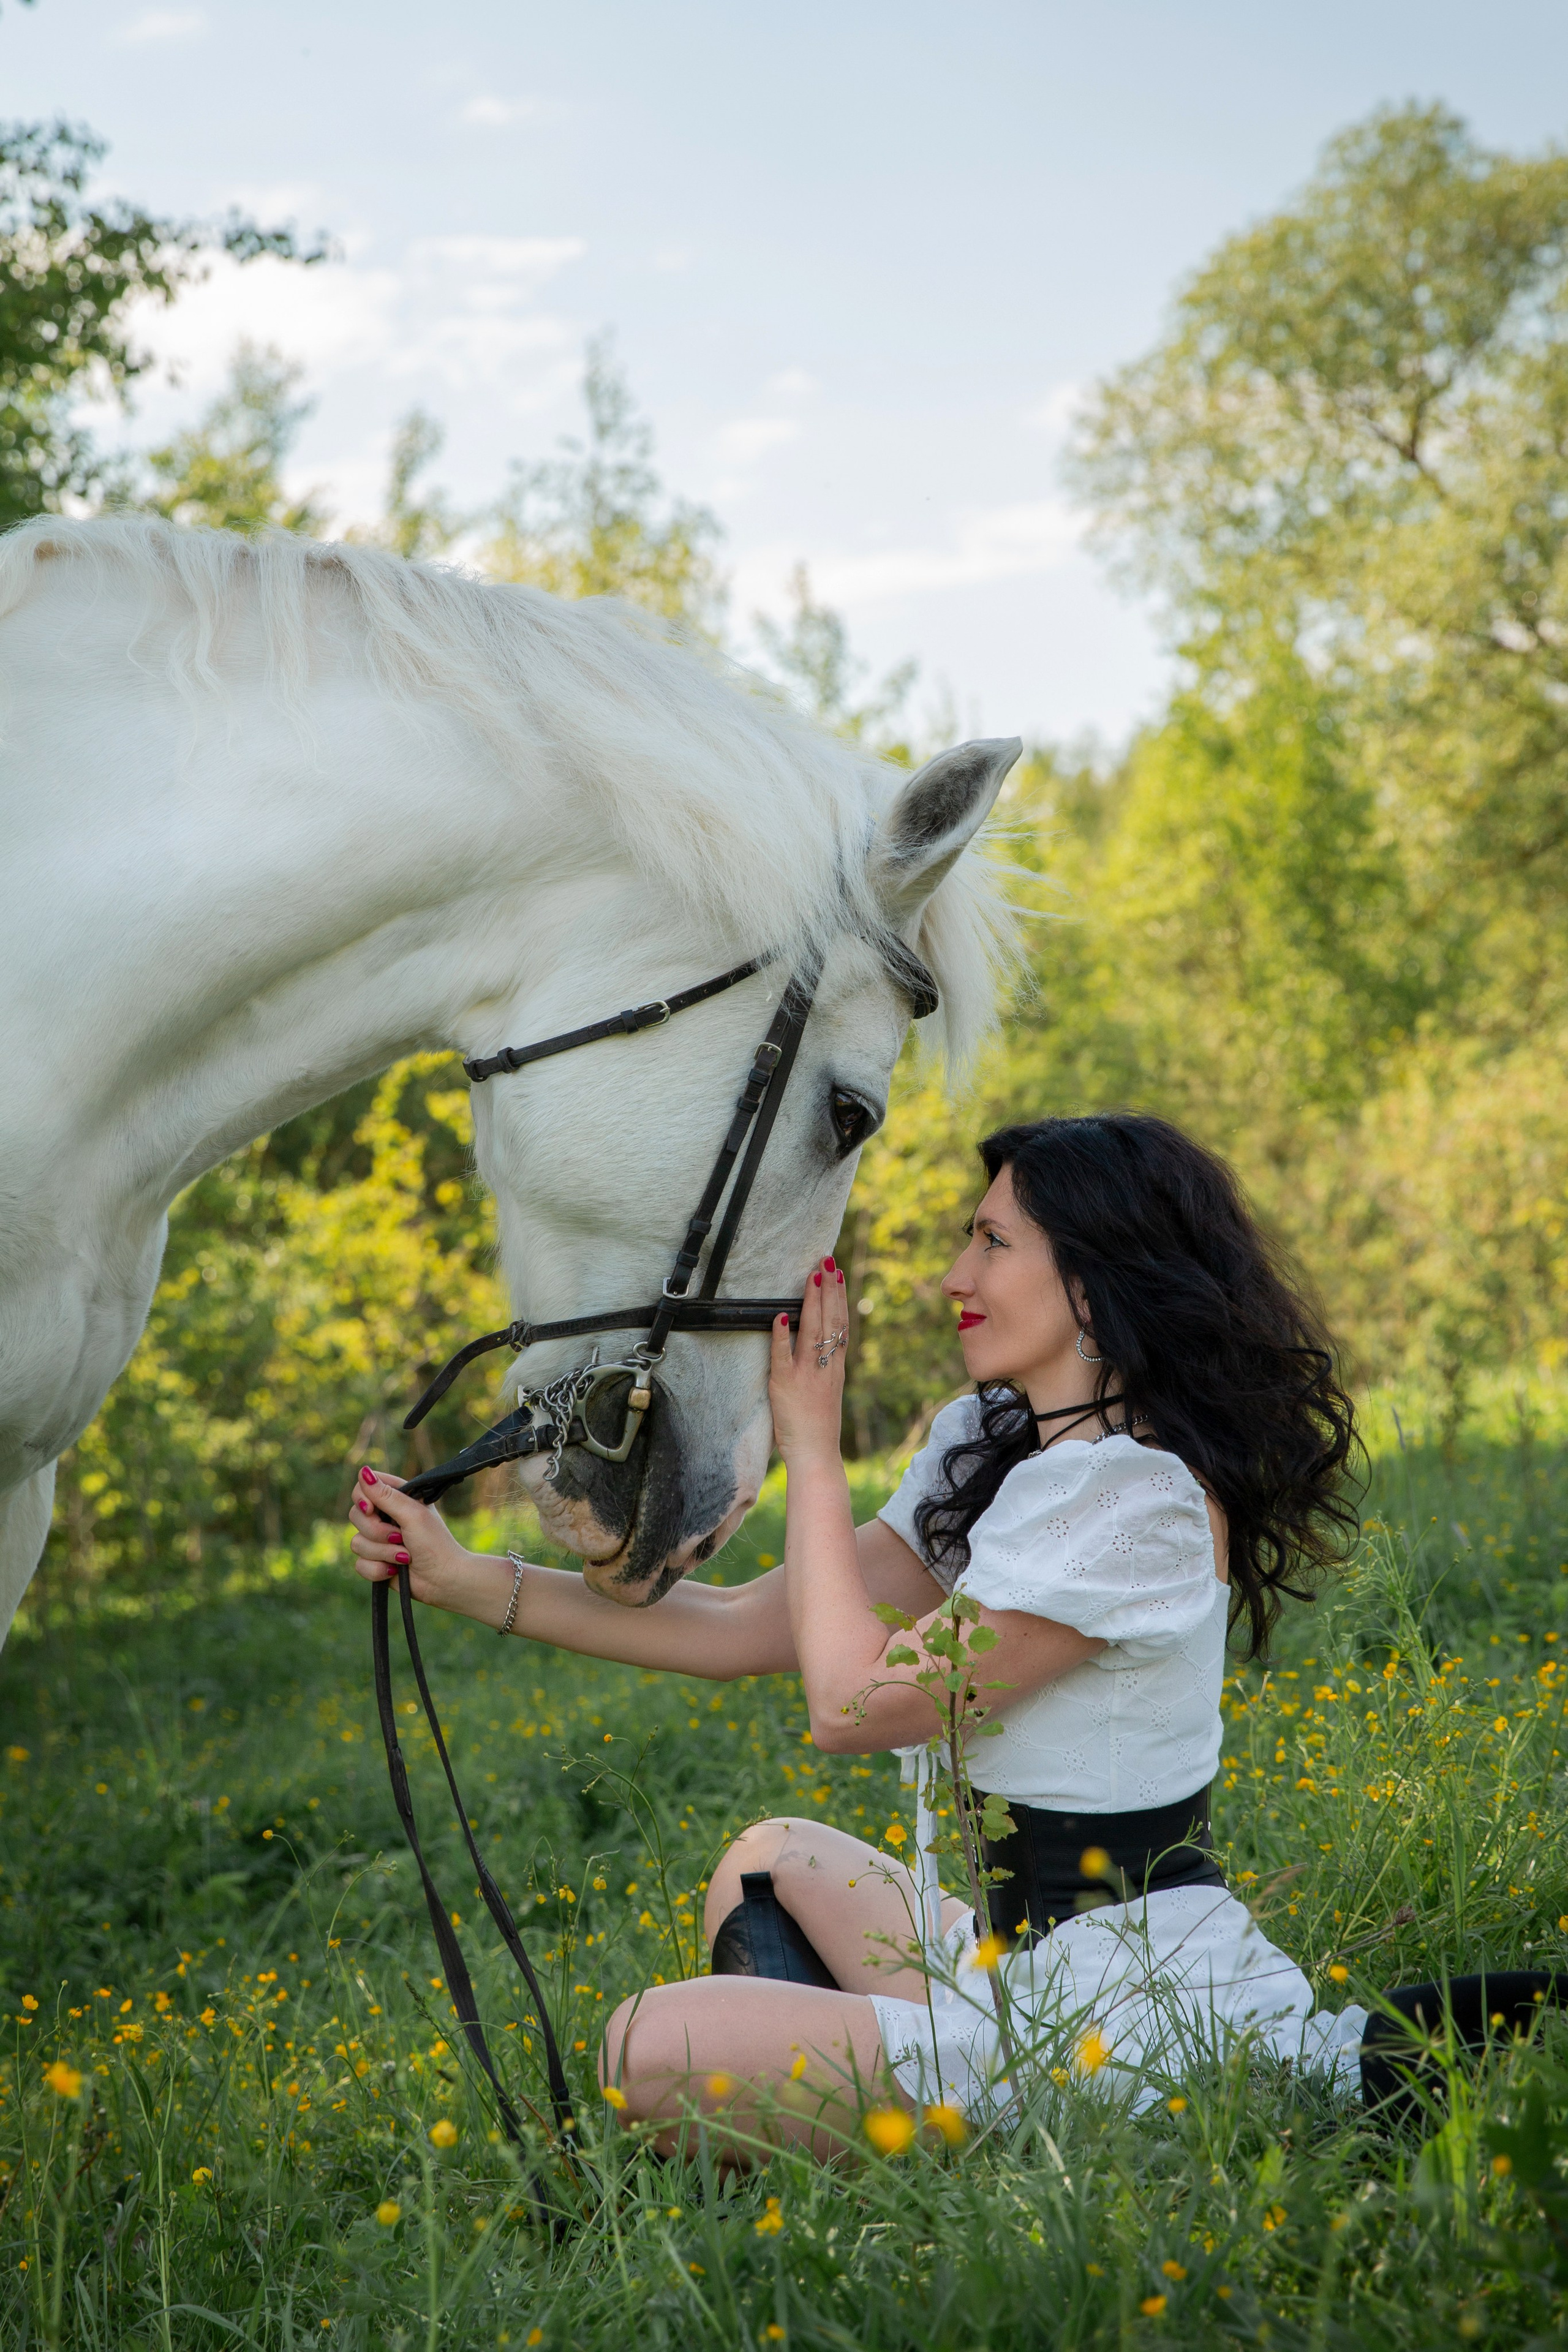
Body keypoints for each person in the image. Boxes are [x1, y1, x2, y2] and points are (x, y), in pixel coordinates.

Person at [346, 1114, 1556, 2155]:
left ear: (1093, 1283)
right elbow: (738, 1628)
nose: (952, 1276)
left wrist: (812, 1449)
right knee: (772, 1859)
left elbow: (851, 1706)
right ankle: (866, 2109)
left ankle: (943, 2129)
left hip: (1122, 2015)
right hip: (1006, 1969)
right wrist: (466, 1579)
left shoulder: (1134, 1503)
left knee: (641, 2046)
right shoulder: (1001, 1447)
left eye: (992, 1243)